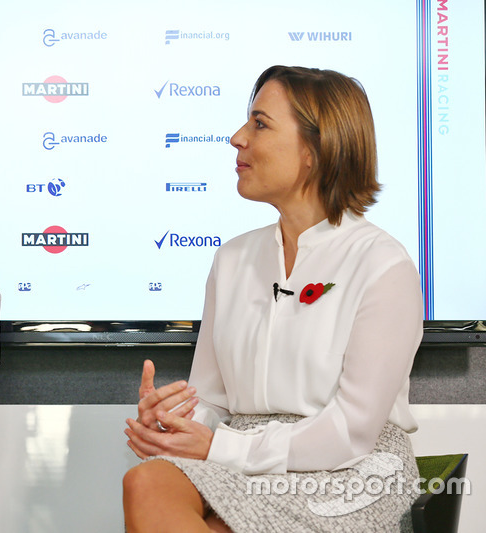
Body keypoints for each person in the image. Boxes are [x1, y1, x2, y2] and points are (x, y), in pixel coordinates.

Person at [123, 65, 423, 532]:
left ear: (315, 149)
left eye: (260, 124)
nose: (237, 137)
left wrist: (218, 448)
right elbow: (214, 400)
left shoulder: (383, 264)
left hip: (347, 465)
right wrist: (172, 424)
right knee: (145, 483)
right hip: (237, 450)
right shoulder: (232, 259)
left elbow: (351, 430)